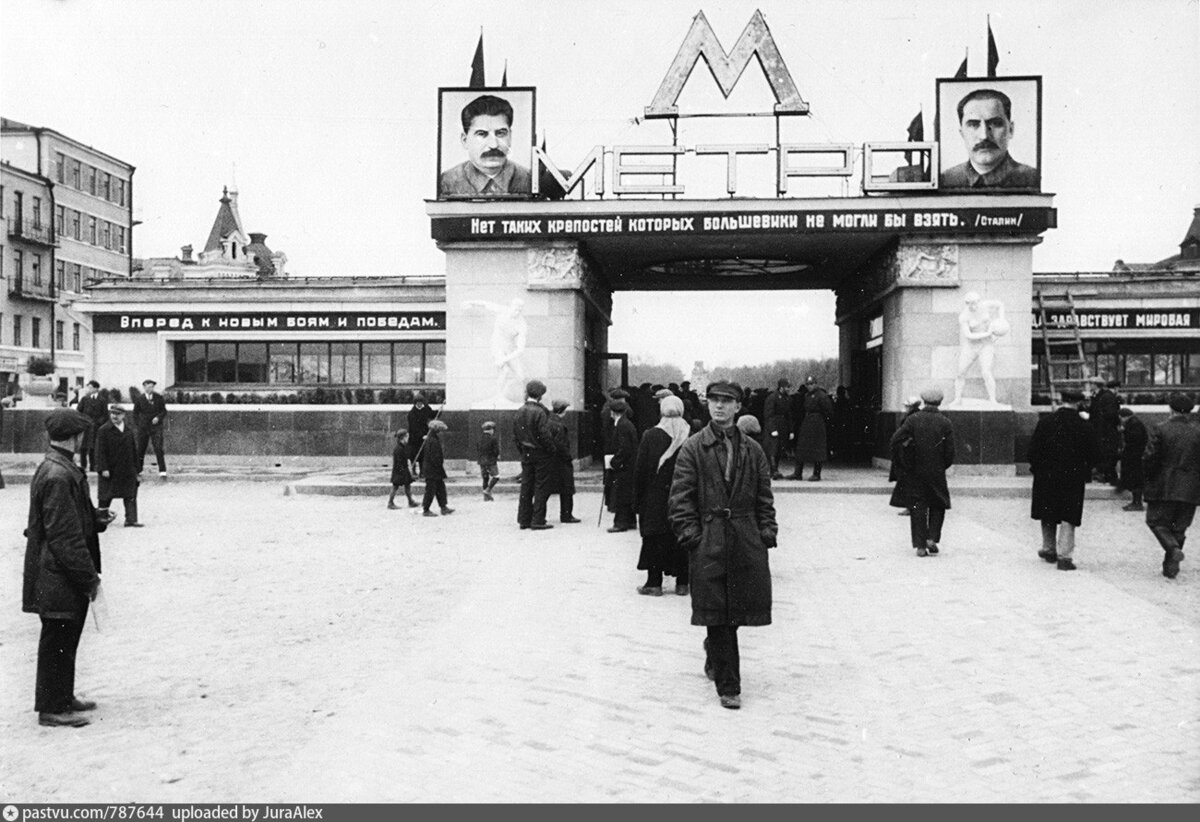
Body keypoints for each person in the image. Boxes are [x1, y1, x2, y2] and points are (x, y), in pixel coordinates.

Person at [668, 380, 777, 710]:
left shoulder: (752, 450)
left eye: (726, 401)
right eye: (714, 400)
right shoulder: (693, 448)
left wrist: (766, 531)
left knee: (737, 609)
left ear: (737, 407)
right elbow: (680, 498)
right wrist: (692, 537)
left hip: (745, 537)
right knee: (718, 611)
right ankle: (729, 686)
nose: (719, 406)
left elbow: (764, 497)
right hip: (710, 536)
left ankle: (714, 653)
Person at [23, 408, 114, 727]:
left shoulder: (58, 467)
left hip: (58, 571)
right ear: (75, 437)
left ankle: (62, 696)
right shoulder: (59, 474)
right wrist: (88, 578)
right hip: (59, 573)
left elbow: (69, 521)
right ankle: (51, 707)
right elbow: (64, 535)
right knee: (57, 638)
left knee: (67, 636)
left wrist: (95, 518)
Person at [1028, 389, 1099, 571]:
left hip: (1047, 475)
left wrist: (1037, 469)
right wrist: (1084, 471)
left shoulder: (1046, 422)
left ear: (1061, 400)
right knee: (1069, 514)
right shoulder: (1085, 426)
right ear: (1078, 403)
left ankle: (1049, 548)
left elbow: (1033, 450)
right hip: (1072, 477)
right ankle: (1065, 557)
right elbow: (1093, 454)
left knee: (1048, 510)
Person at [634, 395, 692, 597]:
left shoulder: (651, 435)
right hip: (684, 496)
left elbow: (641, 470)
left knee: (654, 539)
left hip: (655, 497)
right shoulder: (690, 434)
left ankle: (654, 583)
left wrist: (638, 499)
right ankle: (683, 583)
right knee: (682, 537)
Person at [889, 388, 955, 557]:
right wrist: (941, 466)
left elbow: (895, 440)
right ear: (939, 402)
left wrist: (906, 461)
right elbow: (950, 454)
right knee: (938, 504)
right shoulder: (945, 422)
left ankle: (920, 545)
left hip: (915, 471)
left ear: (924, 401)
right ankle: (932, 538)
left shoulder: (912, 420)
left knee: (918, 505)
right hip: (936, 471)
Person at [1142, 393, 1200, 580]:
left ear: (1171, 409)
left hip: (1163, 485)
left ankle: (1172, 549)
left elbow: (1150, 458)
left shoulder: (1160, 429)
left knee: (1156, 522)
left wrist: (1148, 478)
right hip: (1191, 487)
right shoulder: (1197, 432)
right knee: (1179, 528)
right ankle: (1170, 566)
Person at [939, 88, 1039, 189]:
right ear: (962, 134)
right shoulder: (945, 180)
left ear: (1011, 130)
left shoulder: (1033, 178)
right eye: (973, 125)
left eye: (995, 123)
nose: (984, 135)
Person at [439, 94, 532, 197]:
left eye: (501, 133)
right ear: (465, 140)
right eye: (482, 134)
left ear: (510, 136)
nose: (493, 145)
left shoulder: (530, 180)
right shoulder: (445, 182)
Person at [463, 298, 528, 405]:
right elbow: (486, 304)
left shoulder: (521, 324)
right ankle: (499, 396)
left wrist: (505, 359)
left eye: (520, 310)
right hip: (497, 344)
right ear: (511, 306)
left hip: (509, 348)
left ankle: (506, 392)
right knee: (505, 371)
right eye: (516, 308)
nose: (517, 312)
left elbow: (520, 349)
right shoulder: (503, 310)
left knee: (521, 376)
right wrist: (471, 303)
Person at [513, 379, 556, 530]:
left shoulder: (520, 411)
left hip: (526, 453)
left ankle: (524, 519)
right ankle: (538, 520)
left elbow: (516, 436)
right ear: (540, 396)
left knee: (526, 486)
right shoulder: (540, 412)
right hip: (541, 454)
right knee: (541, 486)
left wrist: (523, 450)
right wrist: (551, 449)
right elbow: (544, 435)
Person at [951, 292, 1007, 407]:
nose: (973, 307)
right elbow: (968, 335)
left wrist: (1002, 320)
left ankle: (993, 399)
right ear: (967, 304)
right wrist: (988, 333)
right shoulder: (964, 316)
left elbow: (1000, 304)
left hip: (986, 346)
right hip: (970, 346)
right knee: (960, 373)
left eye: (975, 303)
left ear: (978, 302)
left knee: (986, 372)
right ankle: (957, 398)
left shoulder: (985, 305)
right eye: (970, 304)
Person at [95, 404, 143, 528]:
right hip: (111, 469)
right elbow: (100, 451)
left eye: (118, 414)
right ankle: (101, 518)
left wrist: (137, 470)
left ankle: (131, 519)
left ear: (123, 415)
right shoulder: (103, 430)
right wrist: (103, 468)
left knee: (130, 494)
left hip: (127, 469)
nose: (114, 416)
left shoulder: (128, 430)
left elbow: (134, 451)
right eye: (112, 413)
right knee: (106, 495)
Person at [606, 398, 639, 533]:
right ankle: (630, 521)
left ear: (613, 412)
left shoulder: (622, 425)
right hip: (629, 464)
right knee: (626, 493)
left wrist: (614, 462)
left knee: (621, 494)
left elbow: (624, 448)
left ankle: (620, 523)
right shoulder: (625, 423)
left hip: (625, 466)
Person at [546, 400, 581, 524]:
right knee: (567, 489)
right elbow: (561, 445)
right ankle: (566, 515)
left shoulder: (548, 422)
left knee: (546, 489)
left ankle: (538, 514)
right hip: (562, 462)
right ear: (562, 411)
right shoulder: (559, 425)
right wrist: (568, 457)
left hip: (551, 461)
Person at [888, 396, 923, 517]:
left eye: (907, 406)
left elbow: (900, 435)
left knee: (907, 481)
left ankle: (910, 507)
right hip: (913, 454)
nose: (905, 408)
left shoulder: (910, 419)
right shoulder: (917, 417)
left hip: (907, 454)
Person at [793, 377, 834, 481]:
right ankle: (797, 473)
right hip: (807, 421)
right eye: (807, 384)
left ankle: (817, 473)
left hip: (818, 423)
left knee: (818, 448)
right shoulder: (806, 395)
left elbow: (828, 411)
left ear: (816, 384)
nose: (809, 386)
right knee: (801, 447)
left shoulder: (822, 396)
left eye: (811, 383)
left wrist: (823, 422)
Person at [1089, 377, 1121, 485]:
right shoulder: (1110, 397)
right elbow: (1112, 414)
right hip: (1108, 430)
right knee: (1110, 453)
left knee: (1106, 453)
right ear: (1116, 388)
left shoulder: (1104, 396)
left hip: (1103, 430)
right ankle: (1110, 477)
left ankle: (1106, 475)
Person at [132, 379, 168, 476]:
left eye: (152, 387)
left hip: (156, 428)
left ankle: (162, 470)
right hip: (143, 428)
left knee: (158, 448)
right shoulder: (139, 399)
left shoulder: (158, 398)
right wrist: (139, 424)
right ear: (144, 387)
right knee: (141, 449)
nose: (150, 389)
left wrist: (158, 418)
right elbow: (135, 414)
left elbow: (164, 411)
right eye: (148, 387)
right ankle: (139, 470)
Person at [419, 420, 454, 517]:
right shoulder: (433, 440)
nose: (441, 432)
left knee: (440, 488)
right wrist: (439, 466)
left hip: (433, 469)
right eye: (440, 430)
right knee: (430, 490)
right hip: (433, 469)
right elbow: (435, 457)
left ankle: (443, 507)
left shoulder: (431, 438)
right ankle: (426, 509)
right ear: (437, 430)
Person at [1117, 407, 1149, 511]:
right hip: (1136, 455)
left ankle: (1137, 502)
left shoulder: (1133, 424)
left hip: (1134, 456)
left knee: (1135, 479)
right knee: (1135, 479)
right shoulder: (1135, 423)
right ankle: (1136, 501)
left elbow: (1134, 439)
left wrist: (1123, 431)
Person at [762, 378, 791, 480]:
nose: (788, 389)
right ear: (781, 387)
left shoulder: (787, 398)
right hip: (774, 426)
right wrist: (772, 429)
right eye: (787, 387)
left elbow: (789, 415)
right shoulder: (772, 398)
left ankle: (776, 469)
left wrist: (791, 430)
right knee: (773, 449)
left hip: (782, 426)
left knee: (780, 449)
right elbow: (769, 415)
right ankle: (773, 470)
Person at [76, 380, 107, 473]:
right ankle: (83, 465)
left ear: (96, 388)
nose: (89, 389)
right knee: (83, 447)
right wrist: (83, 421)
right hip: (85, 426)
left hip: (96, 427)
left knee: (93, 447)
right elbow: (79, 411)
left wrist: (98, 423)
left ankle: (93, 466)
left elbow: (105, 414)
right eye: (88, 387)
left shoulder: (102, 400)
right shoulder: (85, 399)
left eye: (90, 387)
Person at [407, 393, 437, 478]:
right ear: (415, 403)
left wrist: (440, 410)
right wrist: (421, 435)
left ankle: (422, 472)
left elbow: (433, 414)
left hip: (424, 436)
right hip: (414, 438)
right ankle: (413, 471)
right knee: (414, 455)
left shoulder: (426, 410)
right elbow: (413, 427)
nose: (419, 404)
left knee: (423, 455)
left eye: (421, 402)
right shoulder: (412, 413)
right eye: (418, 402)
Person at [387, 430, 418, 509]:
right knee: (395, 487)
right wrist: (404, 471)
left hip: (403, 470)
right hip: (399, 471)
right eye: (407, 437)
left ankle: (410, 501)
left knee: (407, 486)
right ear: (402, 438)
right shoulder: (399, 449)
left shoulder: (402, 447)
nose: (408, 439)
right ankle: (390, 503)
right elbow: (399, 462)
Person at [477, 420, 501, 501]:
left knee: (485, 478)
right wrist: (496, 456)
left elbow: (478, 449)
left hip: (481, 461)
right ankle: (487, 490)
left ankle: (486, 497)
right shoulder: (493, 439)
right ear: (491, 429)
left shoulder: (479, 438)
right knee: (496, 476)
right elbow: (496, 451)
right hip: (491, 461)